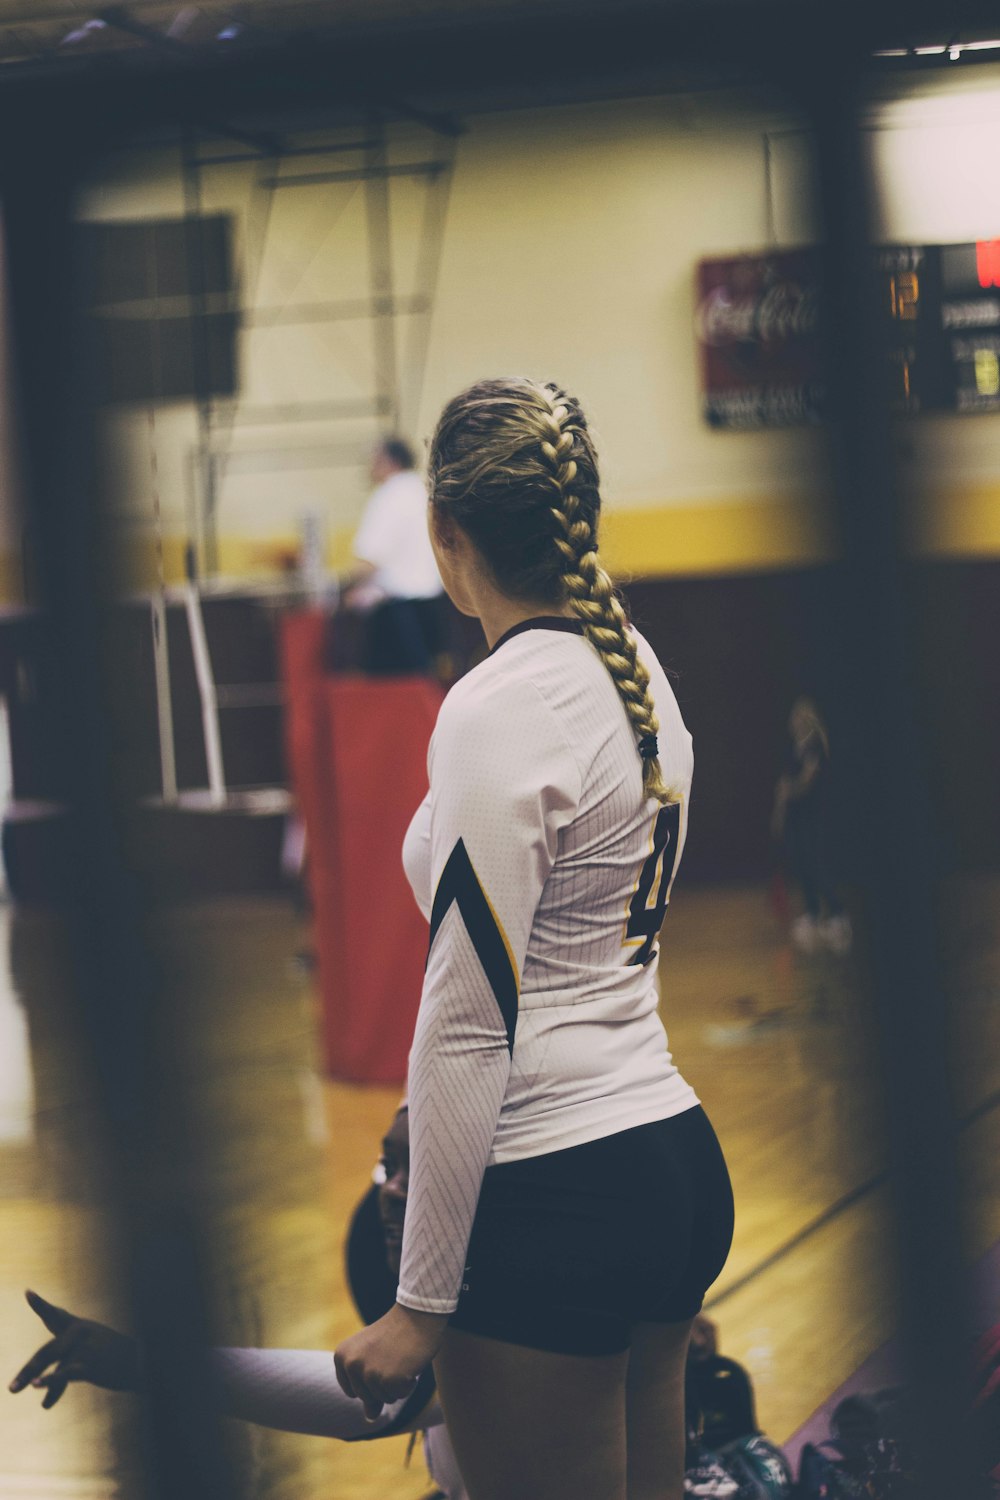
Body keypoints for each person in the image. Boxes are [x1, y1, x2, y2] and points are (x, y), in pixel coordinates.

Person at [333, 377, 734, 1500]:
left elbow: (467, 1022)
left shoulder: (501, 706)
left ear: (444, 533)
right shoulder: (631, 671)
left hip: (553, 1191)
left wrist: (420, 1306)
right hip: (665, 1163)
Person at [9, 1102, 466, 1496]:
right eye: (388, 1166)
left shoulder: (520, 1315)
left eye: (421, 1169)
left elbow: (385, 1401)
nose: (391, 1189)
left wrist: (147, 1363)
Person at [342, 436, 444, 674]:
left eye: (373, 460)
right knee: (424, 683)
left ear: (388, 461)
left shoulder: (388, 496)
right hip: (433, 607)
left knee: (394, 695)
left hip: (398, 614)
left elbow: (369, 560)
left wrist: (343, 589)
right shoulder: (422, 491)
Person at [771, 697, 851, 955]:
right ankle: (814, 914)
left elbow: (805, 781)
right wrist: (779, 814)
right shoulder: (792, 747)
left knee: (818, 864)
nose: (794, 722)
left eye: (799, 718)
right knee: (801, 864)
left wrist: (789, 792)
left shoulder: (815, 745)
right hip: (795, 818)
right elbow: (782, 785)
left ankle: (838, 915)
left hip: (813, 815)